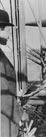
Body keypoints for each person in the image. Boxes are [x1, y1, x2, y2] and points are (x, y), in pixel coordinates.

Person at [0, 9, 23, 137]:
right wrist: (19, 113)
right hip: (4, 120)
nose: (9, 34)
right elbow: (2, 95)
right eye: (8, 30)